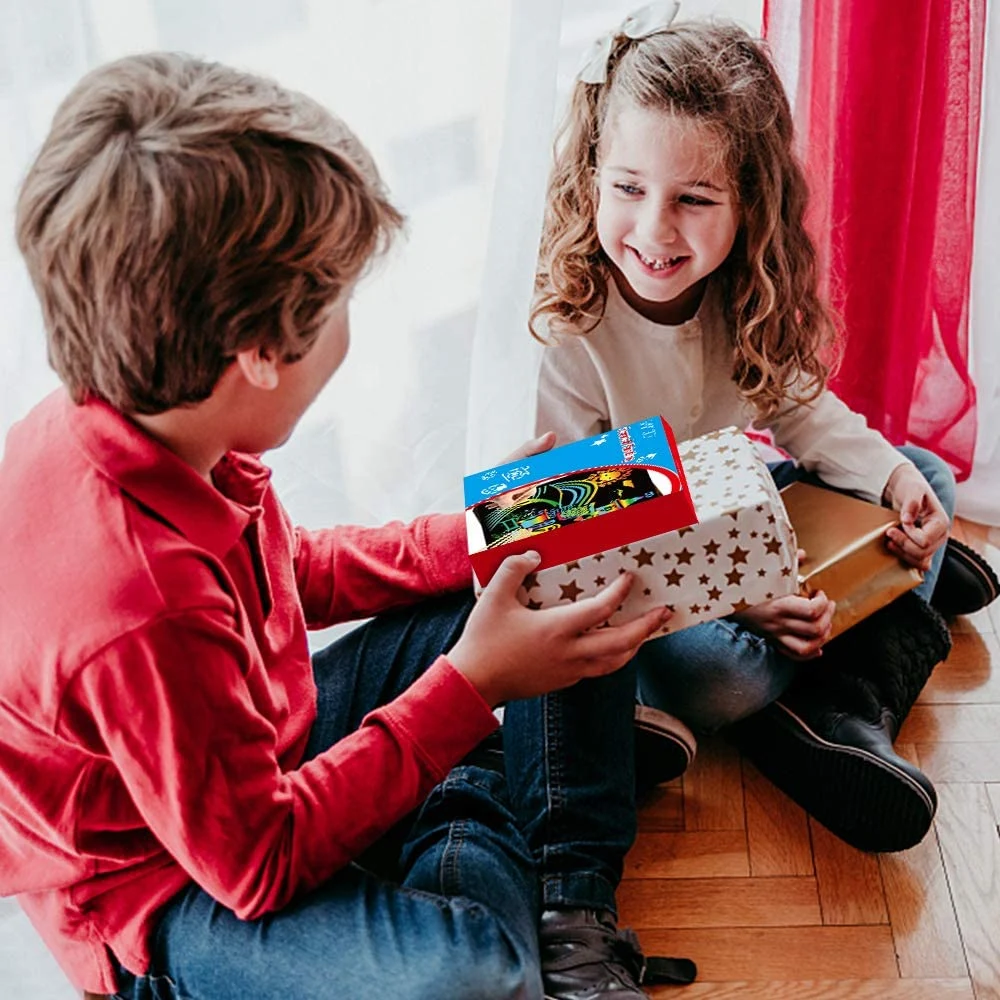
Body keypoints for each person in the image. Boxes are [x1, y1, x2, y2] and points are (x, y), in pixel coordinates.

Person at [0, 54, 696, 1000]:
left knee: (560, 546)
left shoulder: (154, 415)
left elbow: (295, 573)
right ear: (257, 355)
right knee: (473, 974)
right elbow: (258, 866)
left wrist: (503, 519)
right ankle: (480, 786)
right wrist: (470, 688)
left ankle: (565, 890)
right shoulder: (137, 600)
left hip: (260, 751)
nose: (348, 329)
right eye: (336, 308)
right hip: (175, 891)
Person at [531, 6, 994, 853]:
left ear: (750, 202)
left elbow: (798, 407)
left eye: (695, 199)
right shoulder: (574, 322)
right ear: (593, 173)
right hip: (656, 570)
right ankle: (854, 671)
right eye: (628, 189)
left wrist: (893, 482)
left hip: (739, 503)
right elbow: (580, 527)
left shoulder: (743, 290)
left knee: (931, 473)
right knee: (726, 677)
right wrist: (743, 589)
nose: (654, 230)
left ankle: (848, 660)